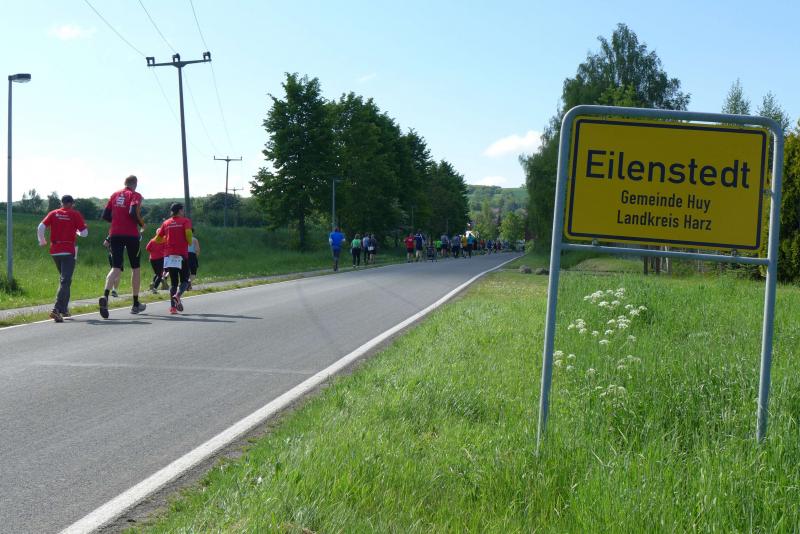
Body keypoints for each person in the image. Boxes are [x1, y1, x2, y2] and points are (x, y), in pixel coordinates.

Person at [99, 175, 146, 318]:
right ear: (135, 184)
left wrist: (117, 221)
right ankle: (135, 303)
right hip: (131, 235)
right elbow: (132, 212)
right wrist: (142, 224)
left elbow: (105, 215)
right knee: (135, 268)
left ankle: (105, 296)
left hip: (115, 234)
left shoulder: (114, 195)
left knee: (115, 267)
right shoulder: (135, 195)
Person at [37, 195, 88, 322]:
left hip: (55, 251)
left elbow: (41, 227)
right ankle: (56, 309)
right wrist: (76, 231)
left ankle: (64, 310)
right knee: (65, 280)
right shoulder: (75, 214)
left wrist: (42, 241)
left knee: (65, 280)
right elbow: (84, 233)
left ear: (61, 203)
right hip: (68, 250)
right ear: (72, 203)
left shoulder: (53, 213)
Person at [155, 203, 193, 314]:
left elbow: (158, 239)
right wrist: (189, 242)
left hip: (169, 255)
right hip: (182, 254)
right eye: (183, 210)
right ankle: (178, 295)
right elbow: (188, 234)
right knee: (185, 280)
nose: (183, 211)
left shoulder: (166, 223)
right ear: (180, 210)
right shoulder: (185, 221)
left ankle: (173, 308)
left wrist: (167, 240)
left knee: (174, 283)